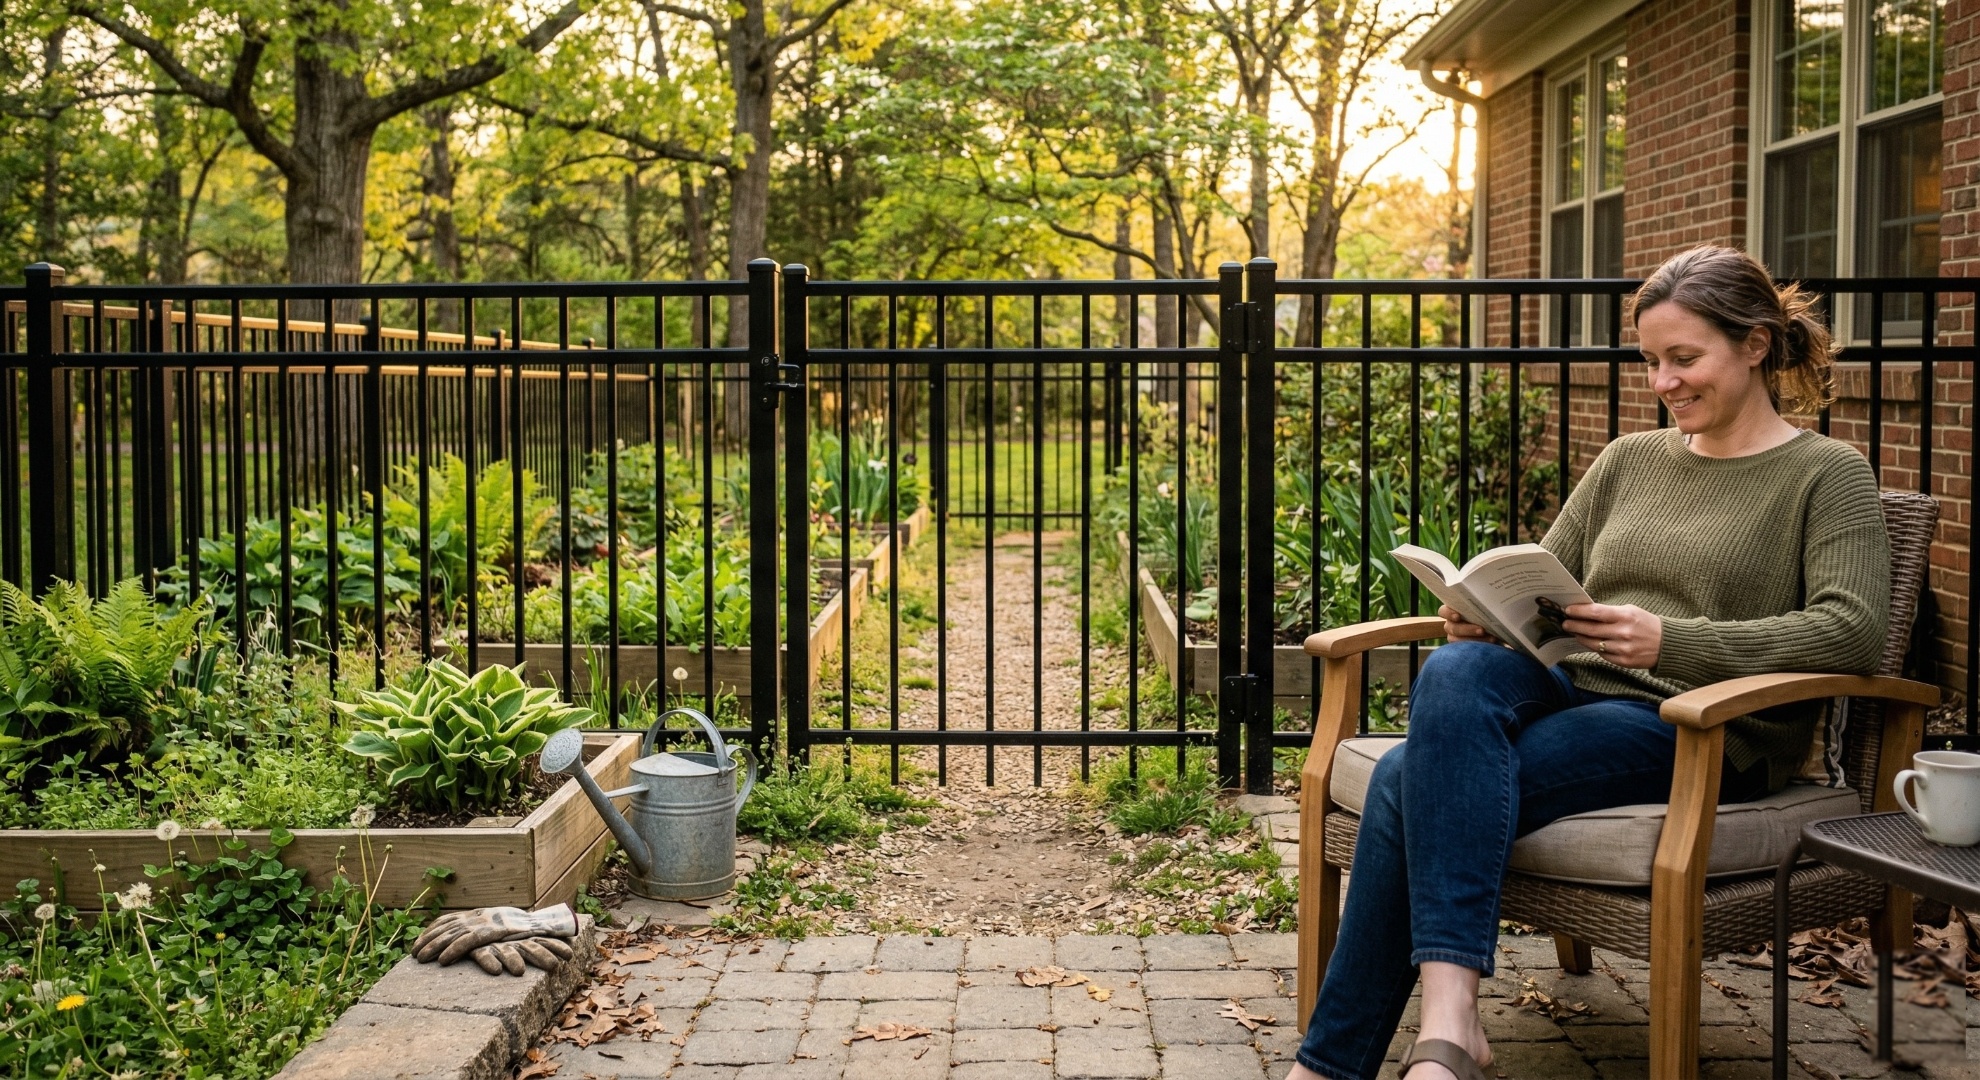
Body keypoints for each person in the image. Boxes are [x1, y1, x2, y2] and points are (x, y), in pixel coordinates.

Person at [1286, 245, 1891, 1080]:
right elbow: (1549, 574)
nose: (1663, 382)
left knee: (1401, 782)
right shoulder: (1628, 461)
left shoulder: (1828, 474)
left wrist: (1673, 642)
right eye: (1651, 360)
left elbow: (1851, 631)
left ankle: (1339, 1062)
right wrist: (1484, 615)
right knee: (1455, 673)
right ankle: (1449, 1020)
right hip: (1575, 685)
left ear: (1756, 346)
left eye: (1685, 358)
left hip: (1695, 725)